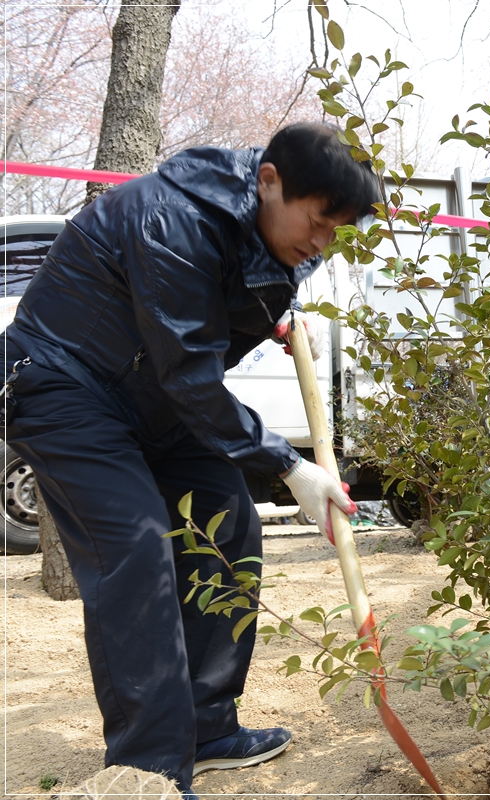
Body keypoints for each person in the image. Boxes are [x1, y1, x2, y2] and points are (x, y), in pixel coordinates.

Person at [1, 122, 379, 795]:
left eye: (337, 228)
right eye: (319, 221)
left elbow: (233, 297)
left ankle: (206, 726)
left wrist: (277, 316)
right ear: (269, 182)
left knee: (230, 526)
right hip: (66, 385)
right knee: (137, 551)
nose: (323, 242)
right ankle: (147, 767)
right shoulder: (171, 220)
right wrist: (290, 467)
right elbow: (190, 371)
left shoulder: (285, 233)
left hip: (156, 399)